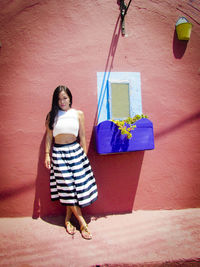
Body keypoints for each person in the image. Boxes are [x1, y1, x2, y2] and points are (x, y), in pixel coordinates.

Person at [45, 85, 98, 240]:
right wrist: (47, 155)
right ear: (56, 101)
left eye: (65, 98)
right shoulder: (51, 116)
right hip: (59, 153)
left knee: (74, 189)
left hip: (76, 152)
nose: (62, 101)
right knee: (67, 186)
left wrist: (84, 156)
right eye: (59, 99)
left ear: (70, 98)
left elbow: (82, 137)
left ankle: (67, 220)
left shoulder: (78, 114)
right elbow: (49, 137)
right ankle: (82, 223)